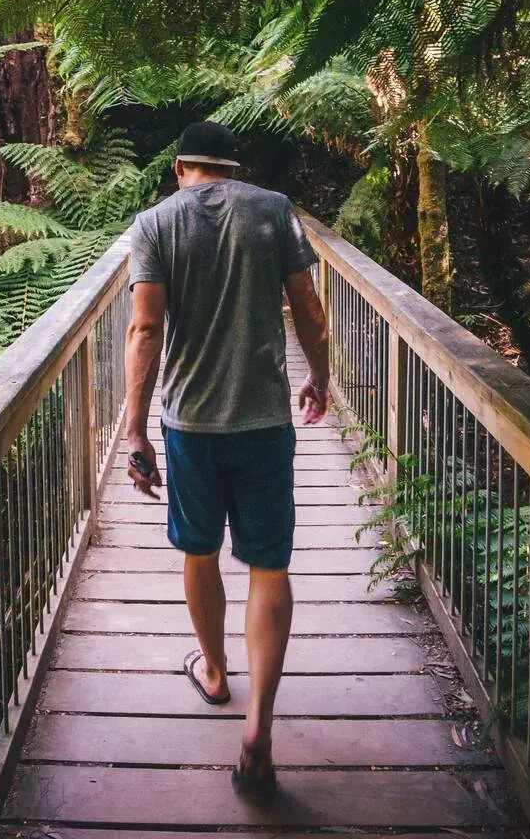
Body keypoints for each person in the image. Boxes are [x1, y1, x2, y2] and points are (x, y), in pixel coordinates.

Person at [122, 120, 332, 798]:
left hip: (189, 424)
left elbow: (145, 326)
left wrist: (134, 430)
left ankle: (213, 672)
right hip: (265, 420)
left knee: (199, 552)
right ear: (232, 169)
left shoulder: (154, 224)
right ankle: (259, 729)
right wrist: (321, 376)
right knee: (270, 566)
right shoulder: (273, 210)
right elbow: (308, 307)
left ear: (181, 166)